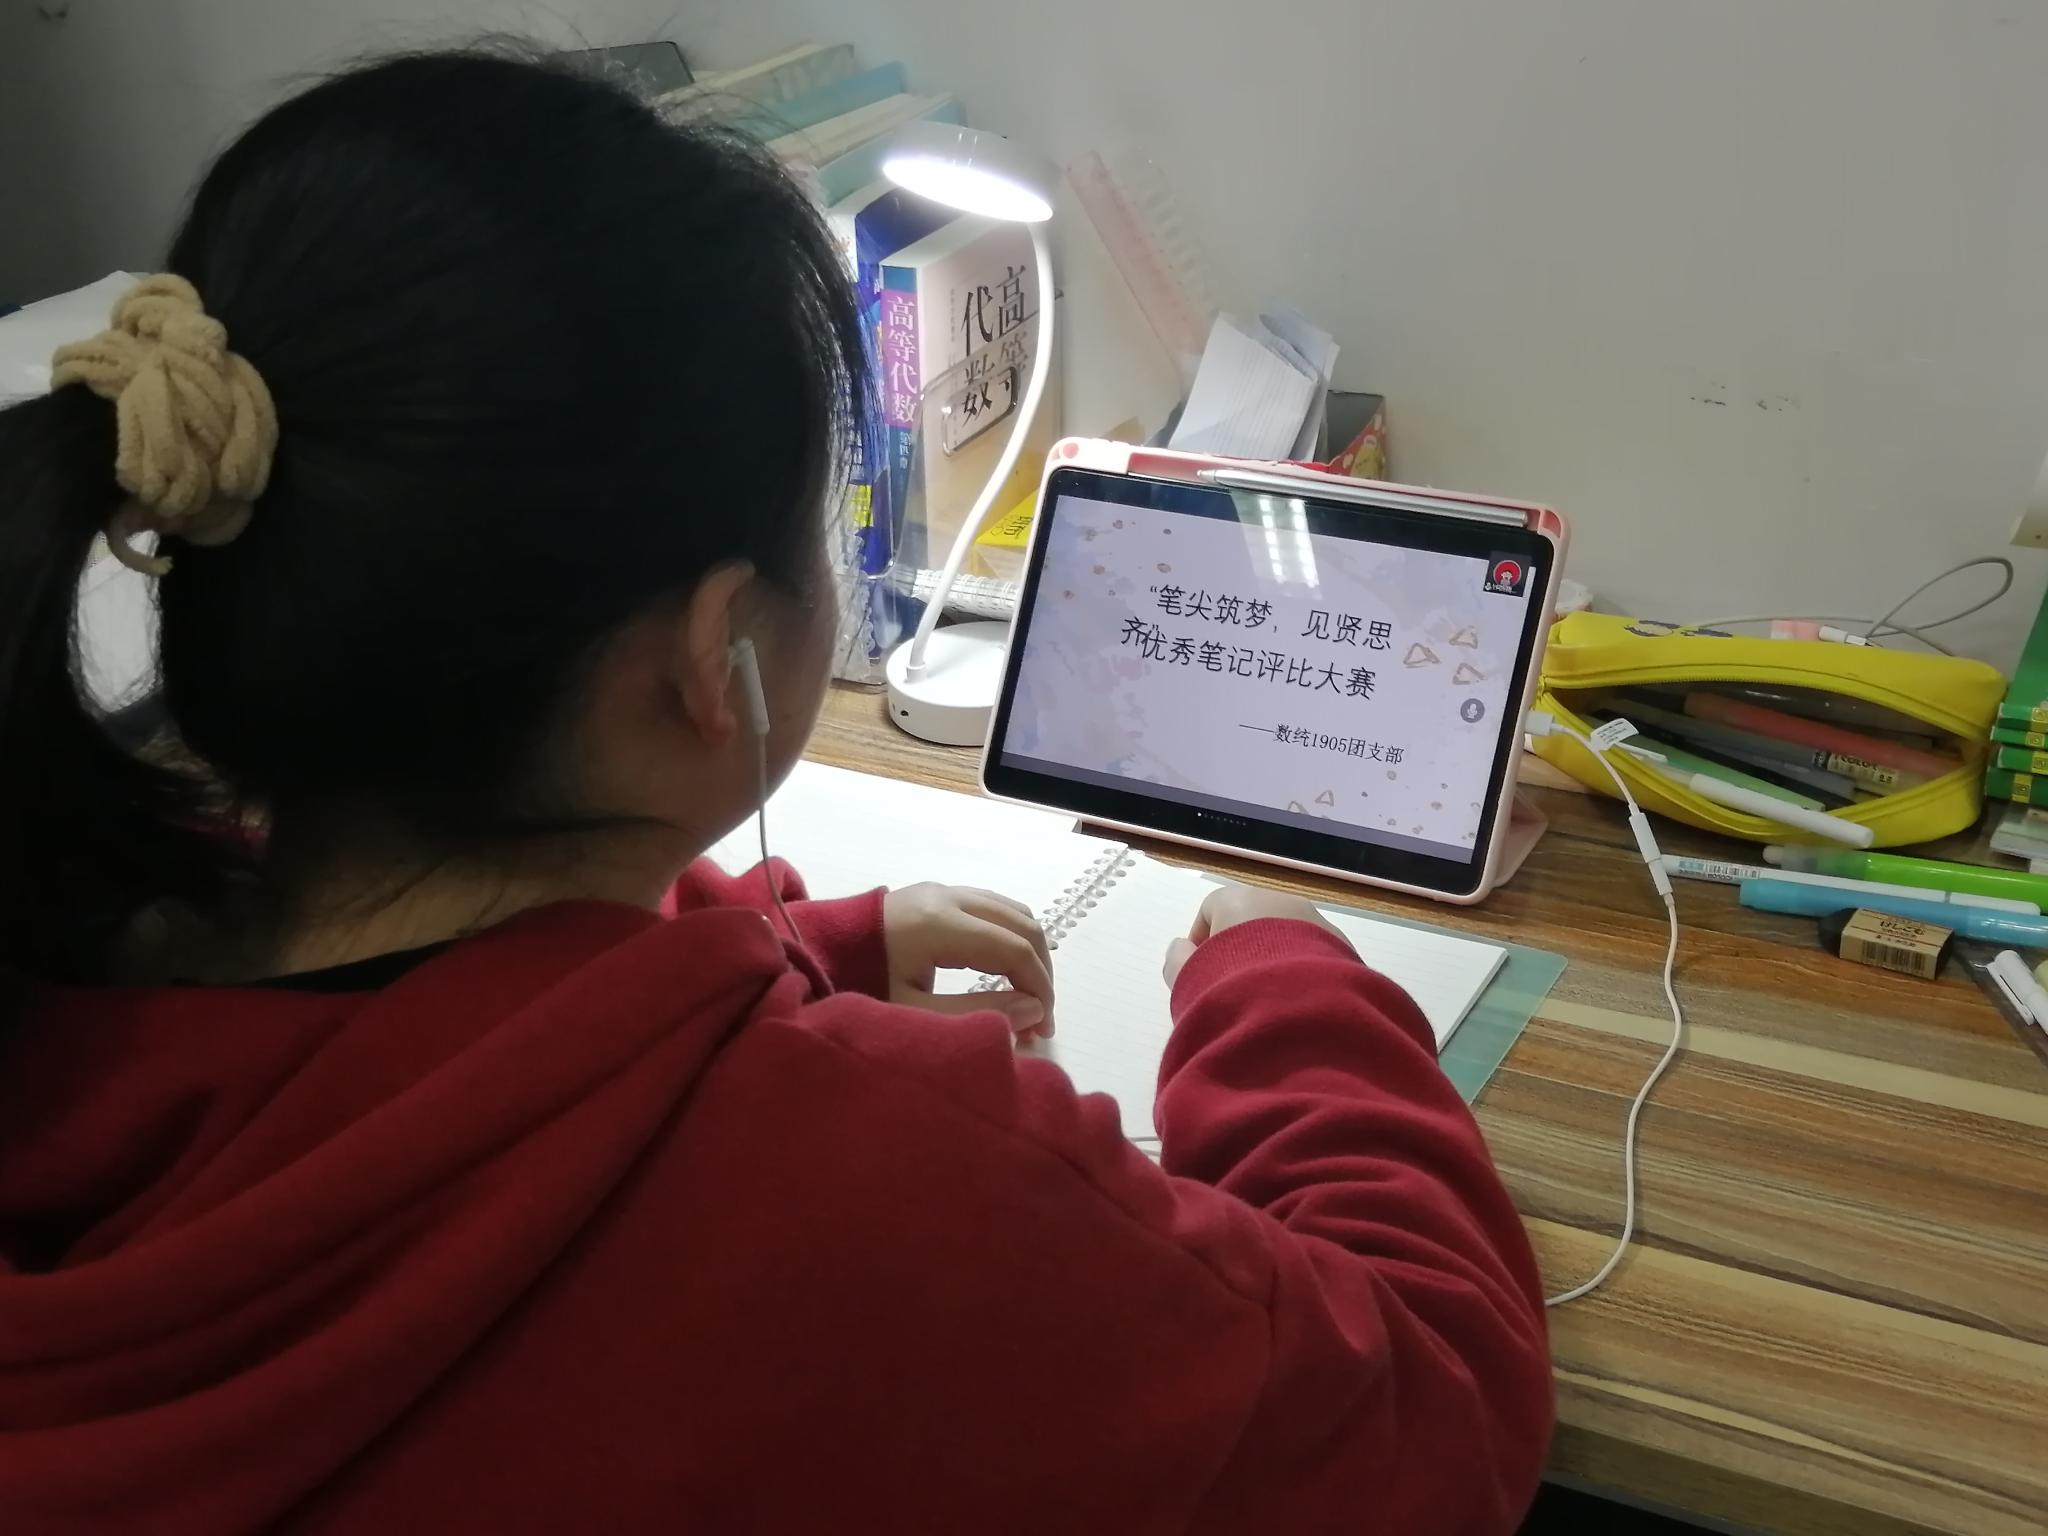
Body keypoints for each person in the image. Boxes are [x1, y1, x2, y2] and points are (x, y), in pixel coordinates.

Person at [0, 48, 1551, 1535]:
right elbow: (1432, 1411)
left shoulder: (72, 955)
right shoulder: (882, 1184)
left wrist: (786, 946)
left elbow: (431, 1055)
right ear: (717, 658)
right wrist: (1283, 981)